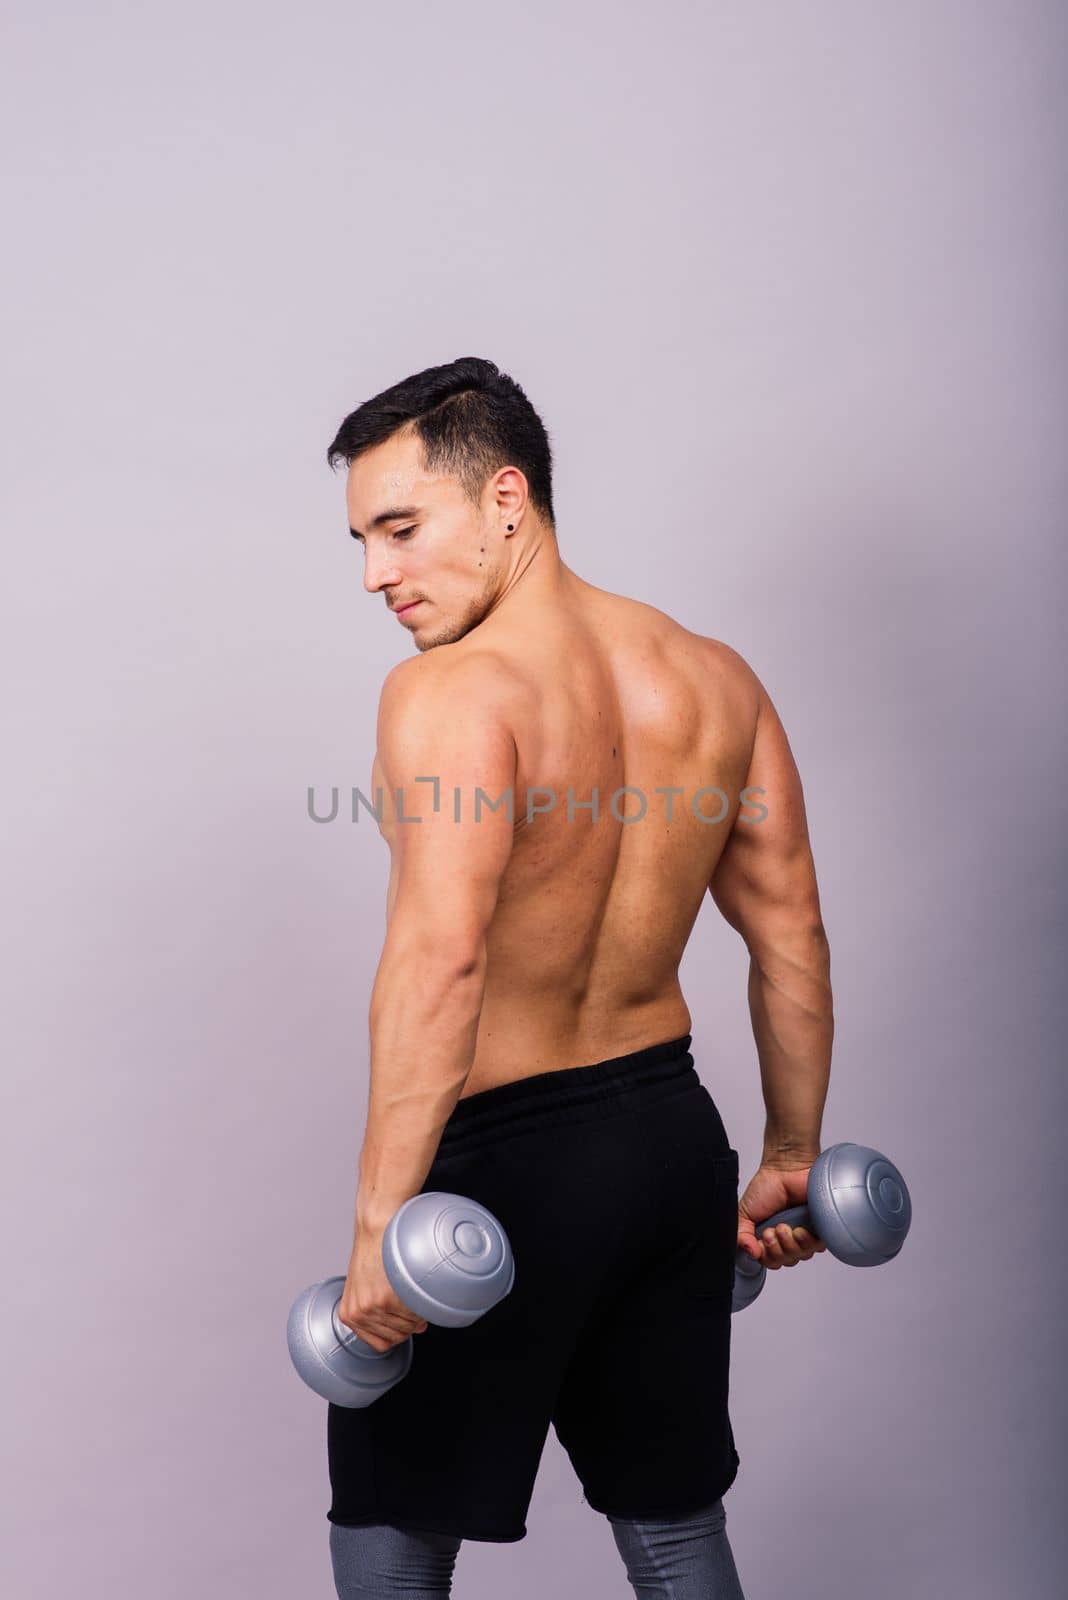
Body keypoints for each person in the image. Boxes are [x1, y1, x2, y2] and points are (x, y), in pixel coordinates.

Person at [320, 356, 832, 1598]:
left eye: (401, 529)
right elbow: (793, 937)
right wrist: (792, 1153)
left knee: (393, 1530)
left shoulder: (449, 693)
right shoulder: (715, 676)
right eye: (361, 540)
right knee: (673, 1522)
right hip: (670, 1147)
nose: (377, 575)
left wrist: (384, 1224)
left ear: (507, 500)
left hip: (500, 1174)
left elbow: (438, 962)